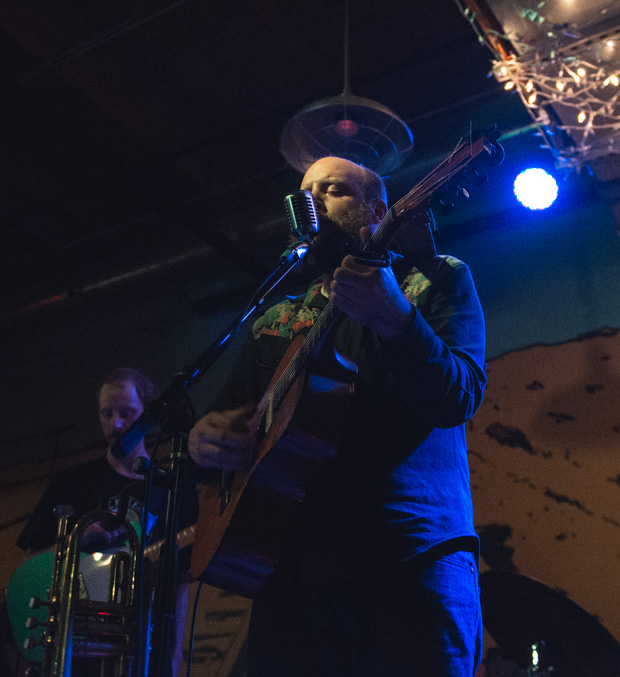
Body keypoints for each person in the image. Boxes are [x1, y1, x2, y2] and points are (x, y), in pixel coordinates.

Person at [188, 156, 487, 676]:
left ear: (377, 211)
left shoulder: (437, 279)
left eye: (333, 190)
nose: (314, 201)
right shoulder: (277, 321)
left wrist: (394, 317)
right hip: (292, 573)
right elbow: (225, 425)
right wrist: (203, 441)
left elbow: (456, 397)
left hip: (407, 560)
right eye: (305, 193)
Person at [15, 367, 199, 675]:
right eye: (106, 413)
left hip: (142, 648)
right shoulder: (70, 483)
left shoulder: (175, 486)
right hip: (77, 647)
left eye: (126, 413)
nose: (115, 424)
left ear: (148, 415)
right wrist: (79, 539)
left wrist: (173, 657)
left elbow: (178, 583)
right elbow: (31, 564)